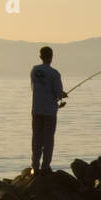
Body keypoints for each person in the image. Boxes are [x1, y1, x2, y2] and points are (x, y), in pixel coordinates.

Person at [30, 46, 67, 174]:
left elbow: (35, 88)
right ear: (51, 57)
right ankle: (45, 167)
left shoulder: (34, 71)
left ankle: (34, 167)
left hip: (36, 110)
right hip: (50, 112)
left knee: (36, 139)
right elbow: (58, 93)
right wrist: (62, 95)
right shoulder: (55, 74)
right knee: (48, 140)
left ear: (40, 57)